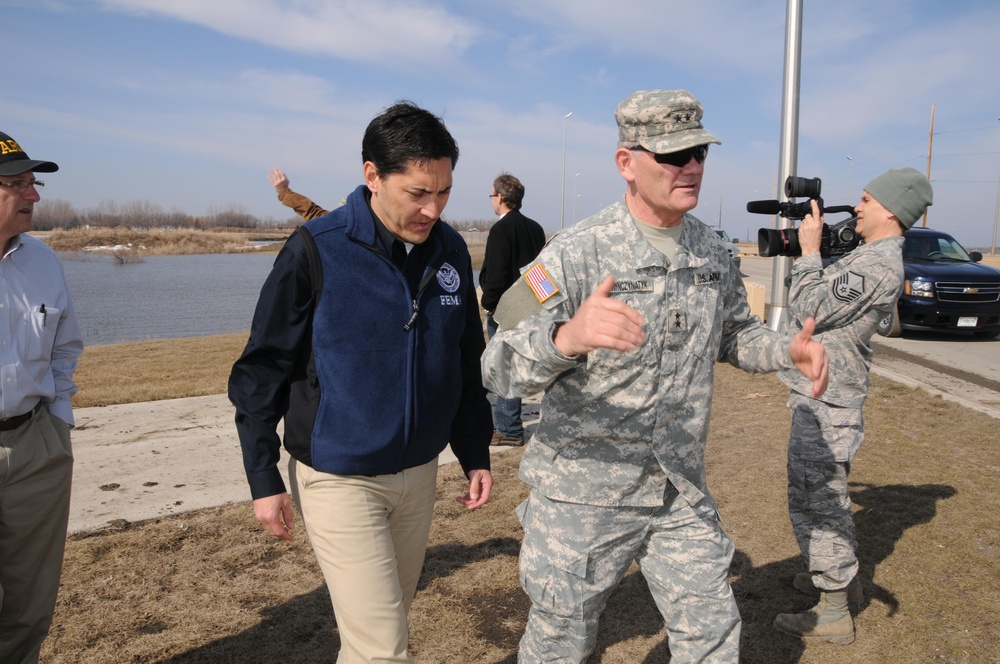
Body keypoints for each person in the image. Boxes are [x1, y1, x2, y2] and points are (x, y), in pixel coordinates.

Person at [481, 89, 830, 663]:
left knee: (713, 632)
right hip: (584, 496)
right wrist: (566, 338)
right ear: (627, 163)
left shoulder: (712, 252)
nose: (691, 166)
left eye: (699, 153)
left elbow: (733, 334)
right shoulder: (570, 255)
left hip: (678, 489)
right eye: (673, 155)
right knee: (558, 646)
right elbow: (497, 365)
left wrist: (784, 351)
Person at [230, 102, 494, 663]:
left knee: (381, 630)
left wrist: (474, 451)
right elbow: (262, 368)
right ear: (372, 175)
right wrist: (262, 475)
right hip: (339, 477)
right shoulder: (316, 249)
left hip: (419, 473)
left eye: (444, 191)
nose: (433, 208)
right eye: (418, 193)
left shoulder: (448, 250)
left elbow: (464, 360)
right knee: (382, 649)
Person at [772, 168, 933, 644]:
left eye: (865, 199)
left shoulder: (879, 264)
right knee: (823, 499)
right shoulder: (868, 256)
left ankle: (835, 609)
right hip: (825, 394)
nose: (857, 207)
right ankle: (840, 580)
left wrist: (808, 253)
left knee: (819, 503)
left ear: (889, 210)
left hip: (830, 401)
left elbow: (809, 311)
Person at [0, 130, 83, 664]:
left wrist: (56, 421)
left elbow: (64, 346)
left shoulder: (43, 262)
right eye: (15, 184)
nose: (33, 196)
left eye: (33, 183)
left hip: (35, 447)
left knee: (30, 603)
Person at [479, 172, 546, 446]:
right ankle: (510, 426)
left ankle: (508, 429)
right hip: (531, 306)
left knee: (503, 367)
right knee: (520, 366)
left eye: (492, 195)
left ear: (502, 198)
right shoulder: (535, 228)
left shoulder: (501, 229)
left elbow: (495, 274)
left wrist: (489, 304)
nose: (492, 200)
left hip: (507, 309)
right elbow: (542, 272)